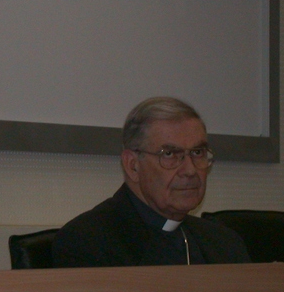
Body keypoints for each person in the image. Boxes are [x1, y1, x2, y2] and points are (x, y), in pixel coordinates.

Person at [52, 97, 250, 267]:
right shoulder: (88, 242)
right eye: (170, 154)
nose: (190, 170)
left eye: (197, 153)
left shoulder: (225, 243)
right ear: (133, 166)